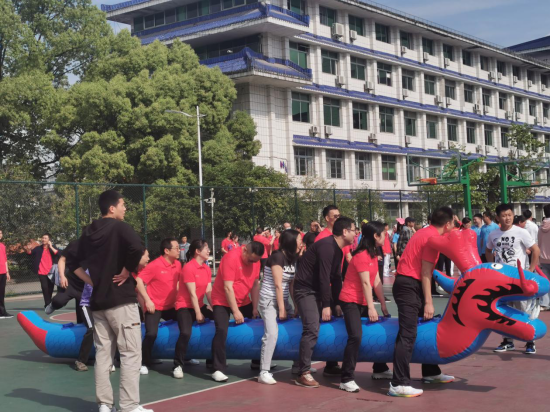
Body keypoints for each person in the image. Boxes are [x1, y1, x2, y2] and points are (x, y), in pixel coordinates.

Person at [76, 190, 152, 413]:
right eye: (122, 204)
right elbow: (137, 248)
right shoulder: (120, 227)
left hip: (98, 303)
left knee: (103, 354)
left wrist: (93, 281)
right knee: (130, 353)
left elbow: (72, 260)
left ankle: (104, 404)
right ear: (112, 208)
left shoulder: (88, 232)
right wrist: (127, 270)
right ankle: (129, 406)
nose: (125, 208)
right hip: (121, 301)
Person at [389, 207, 456, 398]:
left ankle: (430, 372)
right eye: (454, 222)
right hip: (408, 286)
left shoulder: (425, 232)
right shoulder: (432, 238)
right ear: (448, 224)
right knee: (407, 334)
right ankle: (398, 383)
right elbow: (426, 273)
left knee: (425, 328)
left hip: (411, 284)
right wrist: (428, 302)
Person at [293, 217, 356, 389]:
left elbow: (336, 278)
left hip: (317, 290)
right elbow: (324, 277)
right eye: (354, 230)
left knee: (336, 320)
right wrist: (327, 305)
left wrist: (337, 303)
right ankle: (303, 372)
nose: (356, 233)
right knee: (312, 327)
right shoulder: (327, 246)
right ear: (345, 232)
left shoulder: (338, 250)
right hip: (305, 290)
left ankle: (330, 365)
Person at [339, 222, 392, 393]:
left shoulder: (373, 254)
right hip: (350, 301)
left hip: (363, 300)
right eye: (383, 234)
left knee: (378, 330)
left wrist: (382, 303)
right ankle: (346, 378)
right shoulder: (361, 255)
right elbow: (365, 283)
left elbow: (376, 280)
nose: (386, 238)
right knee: (355, 336)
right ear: (375, 236)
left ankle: (380, 368)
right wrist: (371, 307)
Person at [487, 204, 540, 355]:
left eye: (509, 215)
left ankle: (530, 341)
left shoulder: (521, 232)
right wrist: (492, 266)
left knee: (523, 309)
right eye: (504, 215)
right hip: (501, 279)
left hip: (519, 279)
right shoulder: (493, 234)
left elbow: (535, 250)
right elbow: (488, 250)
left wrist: (531, 270)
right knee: (504, 310)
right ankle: (507, 341)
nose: (507, 218)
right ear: (497, 218)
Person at [210, 242, 264, 383]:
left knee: (258, 324)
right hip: (222, 300)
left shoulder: (256, 261)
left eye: (255, 261)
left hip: (243, 300)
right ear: (245, 250)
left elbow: (255, 284)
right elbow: (228, 288)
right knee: (222, 330)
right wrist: (235, 311)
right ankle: (218, 369)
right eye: (250, 260)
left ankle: (257, 361)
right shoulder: (230, 258)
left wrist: (254, 308)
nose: (252, 263)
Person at [258, 230, 303, 385]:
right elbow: (278, 285)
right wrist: (282, 310)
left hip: (282, 300)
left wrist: (295, 305)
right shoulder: (277, 257)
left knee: (298, 329)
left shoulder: (292, 258)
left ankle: (298, 365)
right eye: (299, 239)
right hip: (269, 301)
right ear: (291, 241)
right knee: (271, 334)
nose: (301, 242)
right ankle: (264, 371)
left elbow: (290, 285)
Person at [136, 238, 181, 376]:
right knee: (151, 333)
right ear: (167, 251)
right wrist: (147, 301)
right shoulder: (155, 265)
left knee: (186, 325)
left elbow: (178, 283)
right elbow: (138, 280)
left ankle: (185, 357)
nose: (179, 250)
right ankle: (144, 363)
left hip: (171, 306)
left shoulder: (178, 264)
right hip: (154, 307)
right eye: (176, 248)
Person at [173, 240, 214, 379]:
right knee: (185, 332)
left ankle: (211, 360)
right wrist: (198, 313)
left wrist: (214, 307)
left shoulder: (206, 268)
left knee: (219, 321)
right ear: (197, 251)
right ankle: (178, 365)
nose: (209, 251)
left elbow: (208, 290)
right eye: (206, 248)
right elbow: (192, 294)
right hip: (184, 306)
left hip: (199, 304)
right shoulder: (188, 268)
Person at [46, 240, 87, 326]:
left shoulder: (100, 247)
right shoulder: (75, 244)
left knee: (83, 315)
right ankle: (53, 305)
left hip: (85, 287)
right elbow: (62, 260)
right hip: (70, 283)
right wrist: (62, 276)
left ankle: (82, 329)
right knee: (58, 301)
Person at [27, 233, 59, 308]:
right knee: (44, 288)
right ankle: (47, 304)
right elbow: (30, 253)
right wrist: (28, 249)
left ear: (49, 240)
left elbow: (58, 253)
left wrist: (51, 246)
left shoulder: (52, 247)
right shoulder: (38, 248)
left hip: (51, 272)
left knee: (50, 288)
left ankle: (49, 302)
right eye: (43, 238)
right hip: (41, 272)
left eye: (45, 238)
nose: (43, 239)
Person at [538, 204, 550, 311]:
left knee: (545, 281)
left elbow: (539, 242)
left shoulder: (541, 227)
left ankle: (545, 303)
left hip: (543, 257)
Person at [0, 230, 12, 319]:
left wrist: (7, 272)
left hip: (3, 272)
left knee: (1, 293)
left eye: (0, 233)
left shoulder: (3, 246)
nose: (0, 235)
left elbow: (5, 260)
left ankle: (2, 312)